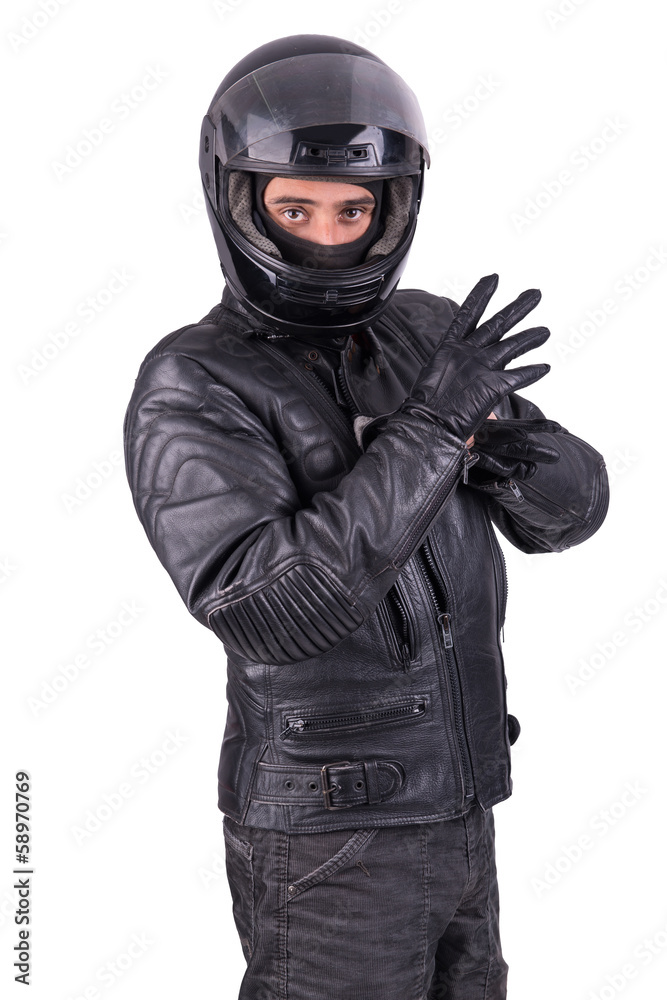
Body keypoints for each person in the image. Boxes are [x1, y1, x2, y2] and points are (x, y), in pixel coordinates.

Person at [123, 34, 609, 1000]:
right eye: (294, 208)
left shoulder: (425, 332)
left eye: (352, 210)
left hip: (461, 804)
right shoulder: (191, 380)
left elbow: (574, 515)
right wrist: (430, 433)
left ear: (392, 209)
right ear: (237, 198)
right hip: (328, 835)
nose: (326, 237)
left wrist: (505, 456)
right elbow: (268, 610)